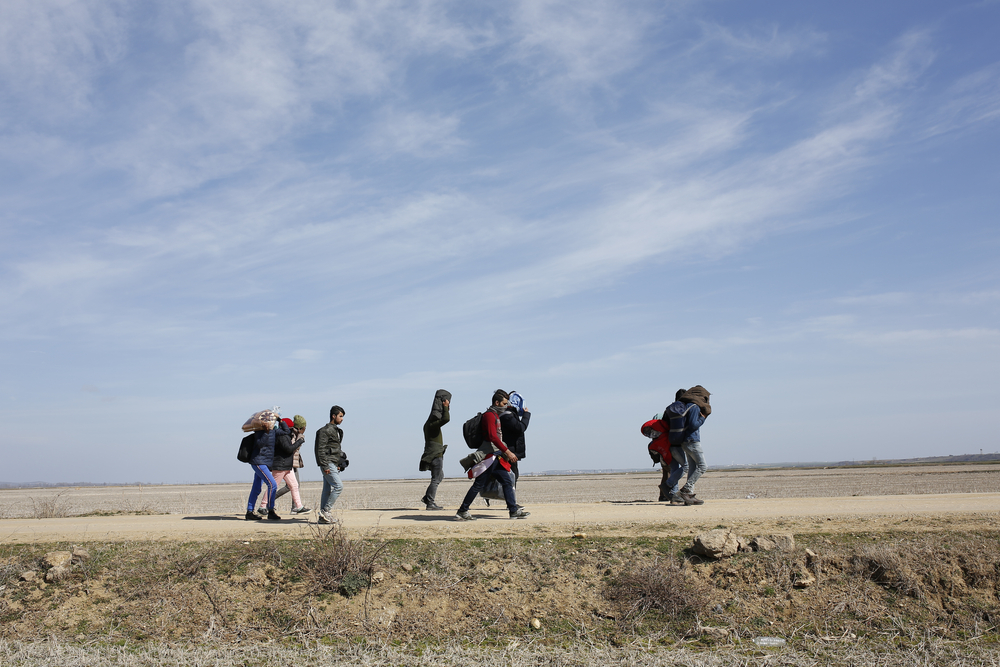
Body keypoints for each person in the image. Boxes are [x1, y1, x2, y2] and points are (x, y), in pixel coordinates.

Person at [456, 390, 530, 521]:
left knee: (507, 481)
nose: (506, 406)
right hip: (489, 457)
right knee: (478, 485)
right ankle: (462, 511)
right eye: (504, 403)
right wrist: (507, 451)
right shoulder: (489, 416)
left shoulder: (495, 415)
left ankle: (513, 511)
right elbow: (492, 437)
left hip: (495, 457)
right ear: (497, 402)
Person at [663, 386, 711, 506]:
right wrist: (703, 418)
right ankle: (684, 491)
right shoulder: (694, 407)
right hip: (692, 441)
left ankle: (689, 495)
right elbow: (694, 424)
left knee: (692, 468)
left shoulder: (684, 407)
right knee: (703, 466)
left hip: (684, 441)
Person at [255, 417, 310, 516]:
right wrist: (300, 441)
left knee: (294, 485)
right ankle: (262, 506)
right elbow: (289, 449)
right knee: (272, 486)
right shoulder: (282, 436)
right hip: (280, 466)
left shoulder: (284, 435)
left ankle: (299, 507)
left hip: (286, 466)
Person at [246, 416, 290, 521]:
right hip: (258, 462)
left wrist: (281, 420)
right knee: (272, 484)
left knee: (257, 487)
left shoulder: (274, 431)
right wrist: (265, 432)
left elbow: (286, 431)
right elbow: (260, 444)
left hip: (264, 463)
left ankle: (249, 512)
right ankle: (270, 511)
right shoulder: (259, 432)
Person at [419, 390, 452, 510]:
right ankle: (430, 503)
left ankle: (428, 498)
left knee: (439, 476)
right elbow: (446, 420)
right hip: (435, 455)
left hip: (433, 453)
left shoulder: (428, 424)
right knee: (436, 479)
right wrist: (446, 408)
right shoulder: (432, 425)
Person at [315, 405, 346, 524]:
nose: (342, 419)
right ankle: (326, 511)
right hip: (327, 463)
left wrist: (338, 462)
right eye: (340, 416)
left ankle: (323, 517)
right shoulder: (325, 431)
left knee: (327, 489)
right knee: (339, 486)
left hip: (332, 462)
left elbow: (334, 449)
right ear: (334, 416)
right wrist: (324, 465)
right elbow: (320, 449)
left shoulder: (336, 431)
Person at [273, 414, 309, 512]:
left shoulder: (293, 434)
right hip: (288, 463)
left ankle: (296, 506)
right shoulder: (291, 435)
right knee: (290, 485)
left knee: (293, 485)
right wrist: (300, 438)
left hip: (292, 462)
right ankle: (269, 502)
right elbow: (291, 448)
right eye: (303, 427)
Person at [499, 391, 530, 482]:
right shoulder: (508, 415)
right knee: (512, 476)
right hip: (509, 452)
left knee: (512, 475)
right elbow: (520, 428)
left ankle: (509, 495)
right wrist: (526, 415)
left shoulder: (509, 414)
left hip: (510, 451)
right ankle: (509, 496)